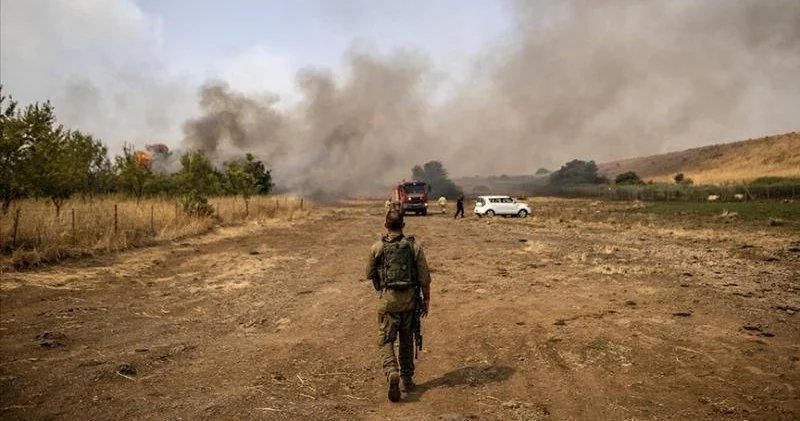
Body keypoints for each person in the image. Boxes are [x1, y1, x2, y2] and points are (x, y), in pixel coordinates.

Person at [366, 209, 431, 402]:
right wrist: (426, 301)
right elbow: (425, 278)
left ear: (385, 225)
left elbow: (369, 273)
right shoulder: (414, 247)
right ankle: (407, 380)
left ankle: (391, 370)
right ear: (403, 225)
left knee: (386, 340)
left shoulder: (377, 247)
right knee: (406, 340)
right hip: (410, 302)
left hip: (388, 302)